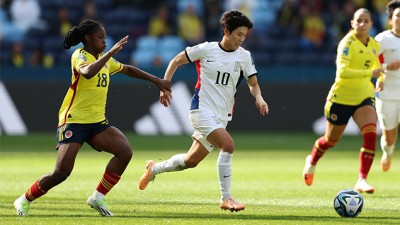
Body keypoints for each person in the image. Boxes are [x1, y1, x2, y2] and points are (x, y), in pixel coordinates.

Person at [13, 19, 171, 217]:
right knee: (61, 173)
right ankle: (24, 199)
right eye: (100, 37)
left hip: (96, 122)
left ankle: (97, 197)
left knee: (124, 152)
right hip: (74, 120)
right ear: (87, 38)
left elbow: (128, 69)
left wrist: (157, 81)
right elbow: (87, 72)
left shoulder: (105, 59)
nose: (104, 41)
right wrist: (111, 53)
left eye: (105, 38)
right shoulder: (80, 55)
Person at [138, 9, 269, 212]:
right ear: (226, 31)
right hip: (201, 111)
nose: (242, 39)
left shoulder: (245, 57)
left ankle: (153, 169)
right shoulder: (206, 49)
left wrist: (259, 97)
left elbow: (253, 83)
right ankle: (226, 198)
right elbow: (176, 61)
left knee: (190, 161)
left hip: (222, 117)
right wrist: (165, 86)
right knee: (228, 145)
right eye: (238, 34)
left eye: (244, 35)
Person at [302, 8, 384, 194]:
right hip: (341, 99)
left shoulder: (374, 45)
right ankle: (312, 160)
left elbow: (379, 68)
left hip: (364, 96)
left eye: (366, 21)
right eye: (359, 21)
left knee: (371, 134)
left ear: (371, 24)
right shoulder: (347, 44)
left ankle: (362, 179)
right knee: (330, 141)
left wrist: (381, 80)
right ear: (352, 24)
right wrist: (370, 73)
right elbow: (343, 72)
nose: (362, 24)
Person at [374, 0, 400, 172]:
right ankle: (388, 151)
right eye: (398, 16)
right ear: (391, 19)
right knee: (389, 138)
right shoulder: (382, 39)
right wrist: (387, 68)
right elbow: (372, 66)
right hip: (387, 94)